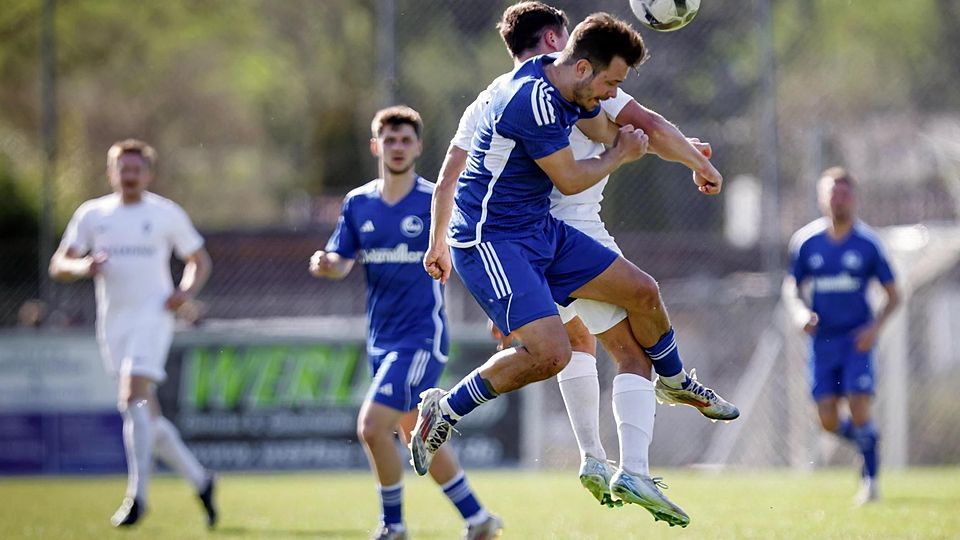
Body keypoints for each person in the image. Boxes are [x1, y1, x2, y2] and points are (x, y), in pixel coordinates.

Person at [413, 11, 727, 528]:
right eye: (610, 82)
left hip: (539, 230)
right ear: (582, 67)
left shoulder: (560, 79)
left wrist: (682, 151)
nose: (611, 94)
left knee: (643, 291)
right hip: (492, 239)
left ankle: (671, 383)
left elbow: (619, 126)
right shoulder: (531, 100)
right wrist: (623, 155)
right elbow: (574, 176)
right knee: (553, 353)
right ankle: (443, 410)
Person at [309, 106, 501, 540]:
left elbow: (471, 257)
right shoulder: (358, 203)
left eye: (405, 140)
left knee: (371, 426)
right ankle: (478, 519)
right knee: (416, 430)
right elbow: (341, 260)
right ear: (376, 146)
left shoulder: (435, 200)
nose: (397, 147)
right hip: (380, 339)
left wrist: (497, 311)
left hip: (420, 338)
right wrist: (326, 264)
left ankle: (393, 526)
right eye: (389, 140)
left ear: (418, 146)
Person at [49, 139, 217, 528]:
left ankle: (137, 498)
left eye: (136, 169)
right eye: (122, 168)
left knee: (132, 398)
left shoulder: (164, 213)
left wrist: (185, 293)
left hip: (153, 317)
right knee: (145, 417)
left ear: (148, 173)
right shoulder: (93, 215)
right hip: (113, 323)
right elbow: (60, 263)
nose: (129, 175)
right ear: (110, 172)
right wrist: (84, 266)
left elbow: (198, 260)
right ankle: (202, 480)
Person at [784, 167, 900, 505]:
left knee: (860, 406)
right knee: (828, 421)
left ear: (854, 197)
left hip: (856, 341)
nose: (838, 199)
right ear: (821, 199)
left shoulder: (867, 244)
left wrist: (873, 329)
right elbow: (792, 286)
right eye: (832, 193)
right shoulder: (806, 242)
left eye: (844, 193)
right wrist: (800, 313)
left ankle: (872, 482)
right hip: (823, 342)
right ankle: (869, 442)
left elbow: (894, 295)